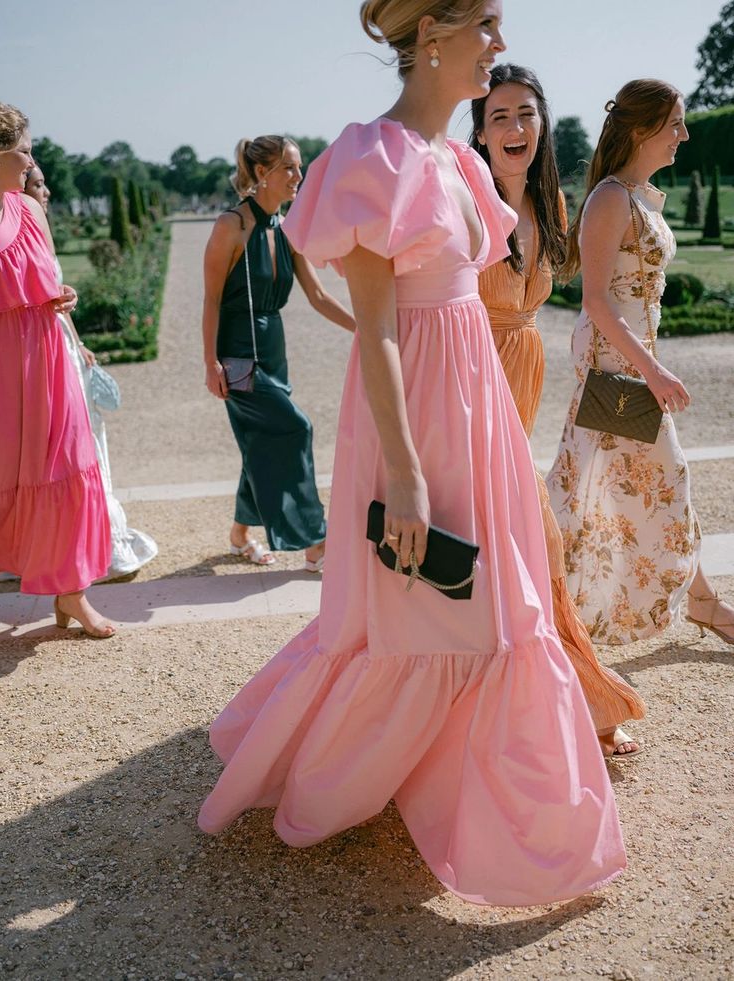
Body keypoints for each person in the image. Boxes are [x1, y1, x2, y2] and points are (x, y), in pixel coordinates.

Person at [198, 1, 626, 907]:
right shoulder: (369, 157)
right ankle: (372, 777)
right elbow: (379, 334)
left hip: (475, 394)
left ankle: (503, 799)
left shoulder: (461, 159)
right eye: (487, 26)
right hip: (417, 410)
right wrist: (402, 472)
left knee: (500, 603)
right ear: (431, 33)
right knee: (433, 603)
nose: (500, 46)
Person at [470, 64, 646, 758]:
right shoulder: (467, 201)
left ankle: (568, 698)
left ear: (542, 125)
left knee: (522, 543)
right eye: (499, 117)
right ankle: (549, 705)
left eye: (525, 114)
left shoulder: (552, 204)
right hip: (470, 372)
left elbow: (591, 297)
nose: (514, 128)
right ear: (480, 134)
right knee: (517, 542)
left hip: (525, 370)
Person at [546, 79, 734, 648]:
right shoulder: (609, 197)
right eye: (675, 123)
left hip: (629, 364)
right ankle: (549, 613)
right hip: (616, 373)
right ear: (640, 128)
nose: (683, 134)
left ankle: (702, 603)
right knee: (611, 490)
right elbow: (596, 302)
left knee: (596, 489)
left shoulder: (633, 193)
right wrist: (652, 372)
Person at [202, 135, 355, 570]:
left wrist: (364, 330)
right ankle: (315, 542)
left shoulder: (286, 228)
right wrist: (209, 362)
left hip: (273, 349)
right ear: (262, 173)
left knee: (261, 441)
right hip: (236, 357)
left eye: (299, 167)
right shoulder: (230, 226)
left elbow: (319, 296)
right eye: (289, 167)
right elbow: (211, 299)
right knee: (295, 428)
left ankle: (238, 535)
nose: (298, 176)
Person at [0, 104, 114, 637]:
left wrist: (58, 294)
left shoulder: (30, 209)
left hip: (45, 361)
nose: (32, 159)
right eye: (26, 148)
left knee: (68, 465)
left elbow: (42, 279)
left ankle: (72, 595)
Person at [22, 164, 158, 581]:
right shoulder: (23, 221)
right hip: (40, 354)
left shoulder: (36, 224)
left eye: (44, 183)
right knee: (73, 447)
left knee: (87, 441)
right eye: (38, 184)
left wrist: (79, 341)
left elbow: (53, 299)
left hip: (63, 342)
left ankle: (94, 537)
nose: (46, 192)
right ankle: (89, 545)